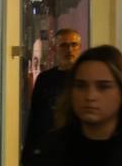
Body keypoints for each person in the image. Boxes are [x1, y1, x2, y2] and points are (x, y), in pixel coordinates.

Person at [23, 27, 81, 158]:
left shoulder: (86, 78)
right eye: (64, 45)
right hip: (49, 148)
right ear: (54, 49)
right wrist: (28, 154)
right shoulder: (45, 79)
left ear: (80, 47)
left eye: (74, 45)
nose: (70, 50)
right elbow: (35, 117)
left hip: (78, 146)